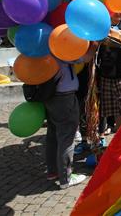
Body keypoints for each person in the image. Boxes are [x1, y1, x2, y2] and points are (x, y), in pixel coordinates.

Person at [45, 44, 97, 189]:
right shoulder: (61, 49)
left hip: (51, 96)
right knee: (67, 137)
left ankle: (53, 171)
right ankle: (66, 178)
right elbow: (85, 58)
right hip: (64, 97)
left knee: (53, 133)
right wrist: (94, 44)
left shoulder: (45, 48)